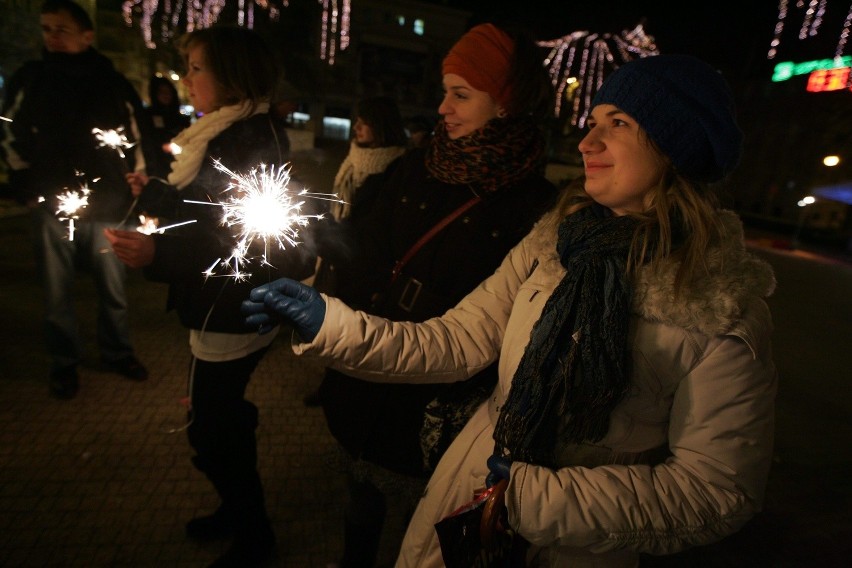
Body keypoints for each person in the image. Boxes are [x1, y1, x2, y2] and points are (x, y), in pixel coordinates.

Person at [242, 53, 778, 567]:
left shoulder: (719, 307)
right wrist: (332, 323)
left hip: (569, 544)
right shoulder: (550, 245)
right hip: (465, 500)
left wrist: (527, 498)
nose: (588, 141)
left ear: (674, 147)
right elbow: (456, 340)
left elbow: (717, 489)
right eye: (592, 121)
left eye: (617, 123)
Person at [306, 23, 558, 567]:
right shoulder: (415, 165)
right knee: (359, 506)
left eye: (461, 93)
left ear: (506, 102)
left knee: (422, 528)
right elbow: (363, 245)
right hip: (363, 376)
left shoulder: (534, 207)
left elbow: (498, 331)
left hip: (433, 415)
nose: (442, 107)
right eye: (445, 90)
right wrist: (312, 239)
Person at [104, 26, 314, 567]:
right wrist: (152, 192)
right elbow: (201, 210)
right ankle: (238, 511)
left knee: (212, 428)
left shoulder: (243, 142)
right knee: (220, 418)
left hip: (231, 308)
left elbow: (238, 242)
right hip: (227, 303)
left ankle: (253, 533)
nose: (186, 78)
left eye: (196, 67)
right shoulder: (226, 133)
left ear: (230, 75)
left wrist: (157, 256)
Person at [0, 0, 151, 400]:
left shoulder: (112, 81)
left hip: (110, 205)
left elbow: (135, 135)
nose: (52, 37)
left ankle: (118, 352)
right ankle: (64, 363)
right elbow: (9, 133)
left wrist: (139, 182)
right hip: (52, 205)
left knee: (114, 288)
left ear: (87, 35)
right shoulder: (31, 78)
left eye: (62, 29)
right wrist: (27, 185)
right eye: (47, 29)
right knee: (55, 292)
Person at [303, 94, 408, 405]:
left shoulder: (396, 168)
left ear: (383, 126)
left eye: (365, 122)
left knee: (353, 336)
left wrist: (325, 232)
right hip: (340, 262)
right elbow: (342, 209)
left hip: (365, 271)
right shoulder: (355, 160)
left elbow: (373, 231)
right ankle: (330, 386)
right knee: (335, 332)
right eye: (357, 121)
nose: (357, 128)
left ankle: (342, 392)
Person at [143, 74, 191, 179]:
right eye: (161, 92)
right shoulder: (148, 116)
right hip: (158, 165)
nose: (166, 95)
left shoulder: (181, 118)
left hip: (181, 163)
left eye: (168, 91)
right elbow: (147, 139)